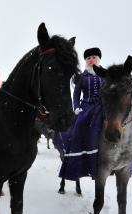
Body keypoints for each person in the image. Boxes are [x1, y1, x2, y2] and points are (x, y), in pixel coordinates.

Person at [58, 47, 105, 181]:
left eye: (94, 57)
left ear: (98, 59)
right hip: (87, 107)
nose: (91, 60)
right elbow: (76, 93)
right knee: (78, 128)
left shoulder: (105, 74)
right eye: (88, 58)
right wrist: (77, 107)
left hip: (103, 107)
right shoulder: (81, 77)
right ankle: (81, 163)